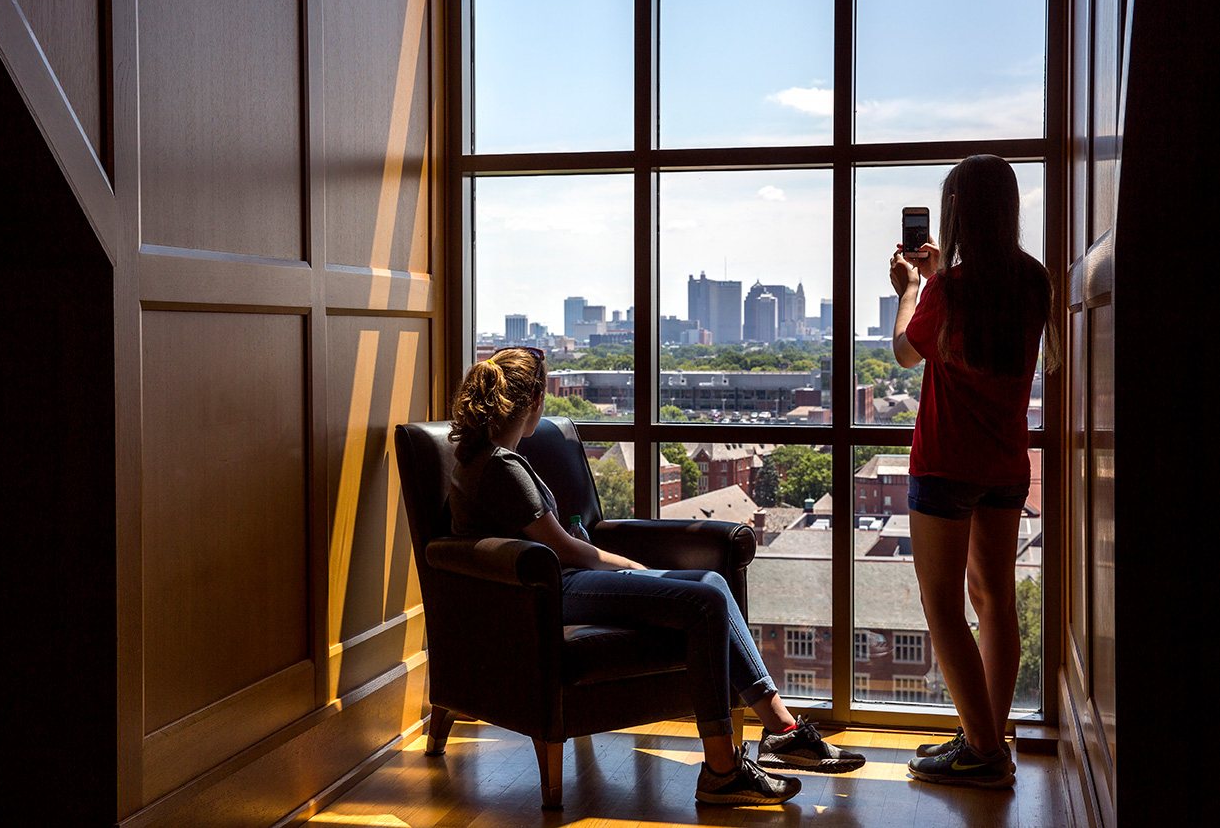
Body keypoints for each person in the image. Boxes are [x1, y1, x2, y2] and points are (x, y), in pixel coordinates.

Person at [448, 346, 865, 806]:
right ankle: (723, 772)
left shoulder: (481, 458)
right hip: (555, 590)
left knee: (712, 583)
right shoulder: (503, 466)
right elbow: (563, 549)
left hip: (552, 588)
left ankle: (783, 730)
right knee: (704, 600)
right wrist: (630, 566)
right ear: (533, 404)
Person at [888, 155, 1058, 789]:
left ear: (955, 213)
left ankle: (984, 753)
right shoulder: (1032, 282)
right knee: (995, 602)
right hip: (1006, 464)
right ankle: (988, 733)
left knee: (942, 604)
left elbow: (906, 352)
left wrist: (912, 287)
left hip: (946, 463)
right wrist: (938, 278)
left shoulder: (949, 292)